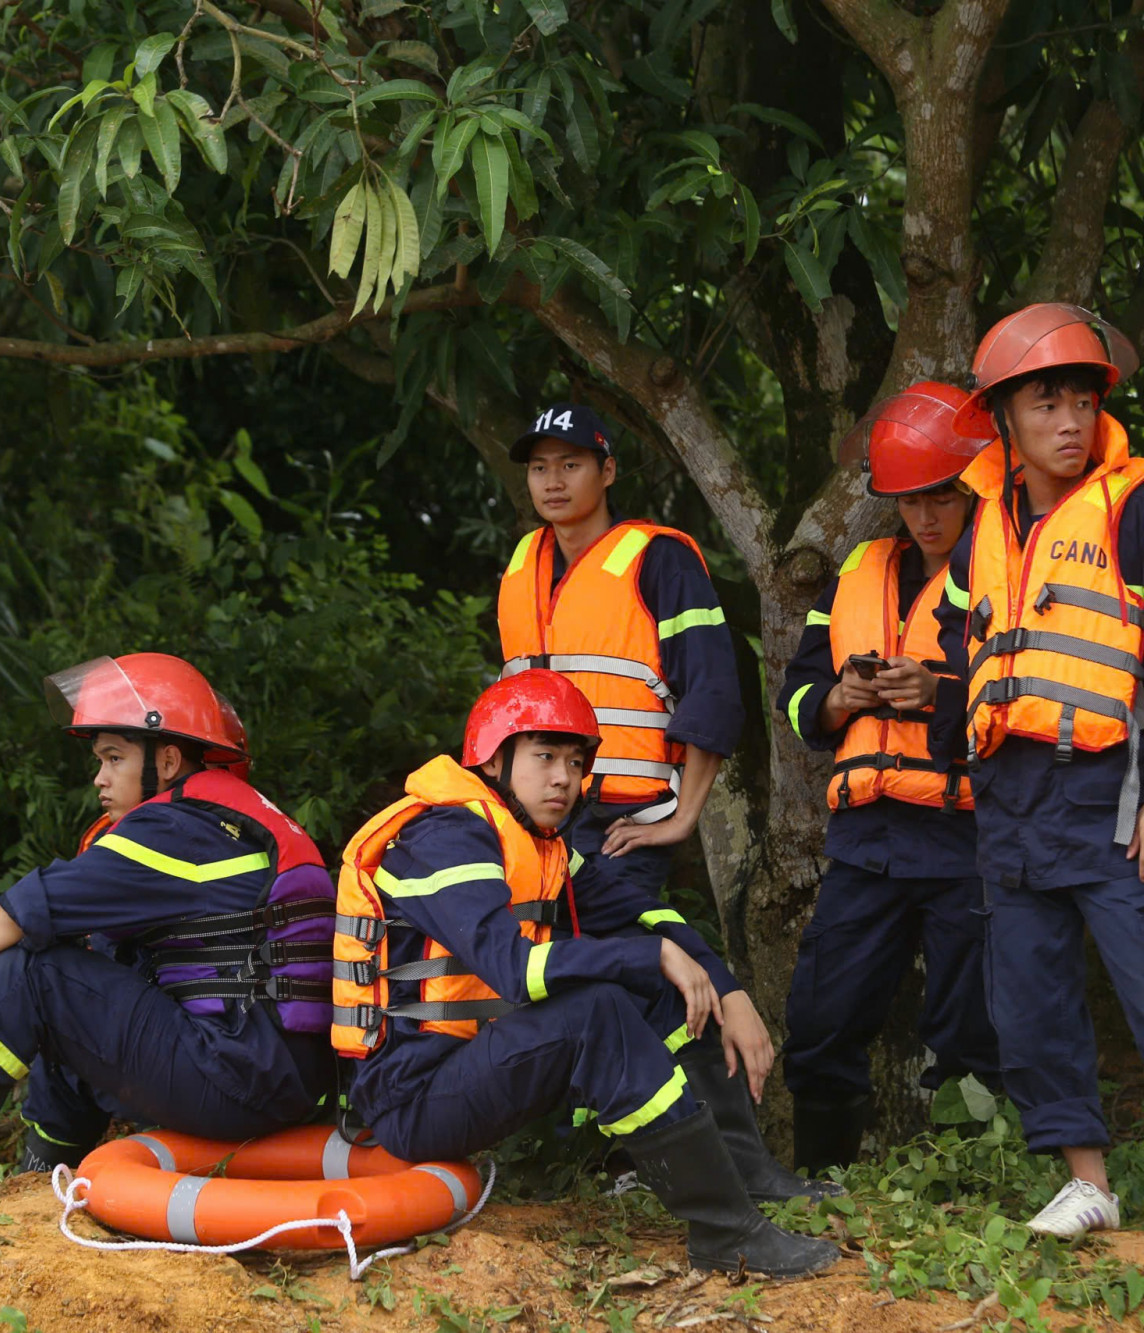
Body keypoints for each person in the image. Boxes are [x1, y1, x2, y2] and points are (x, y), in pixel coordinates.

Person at [929, 304, 1144, 1258]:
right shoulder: (987, 528)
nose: (1070, 421)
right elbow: (962, 656)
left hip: (1116, 793)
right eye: (1047, 403)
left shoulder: (1143, 505)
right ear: (1005, 415)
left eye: (1082, 400)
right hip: (1013, 798)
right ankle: (1087, 1182)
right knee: (1029, 1001)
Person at [331, 671, 840, 1278]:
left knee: (671, 985)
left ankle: (745, 1171)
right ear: (494, 761)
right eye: (544, 757)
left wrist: (726, 991)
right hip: (413, 1099)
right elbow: (514, 971)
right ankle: (724, 1230)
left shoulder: (540, 843)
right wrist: (647, 957)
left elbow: (641, 915)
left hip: (476, 1066)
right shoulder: (441, 838)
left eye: (575, 763)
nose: (563, 779)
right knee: (597, 1007)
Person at [0, 654, 338, 1183]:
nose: (99, 778)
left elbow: (26, 908)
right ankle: (42, 1174)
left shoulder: (177, 829)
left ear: (168, 762)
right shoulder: (230, 821)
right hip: (277, 1081)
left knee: (33, 971)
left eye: (113, 758)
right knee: (80, 983)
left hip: (235, 1079)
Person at [771, 383, 1002, 1172]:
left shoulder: (1003, 573)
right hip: (867, 837)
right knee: (822, 1017)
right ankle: (821, 1180)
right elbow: (799, 696)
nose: (926, 516)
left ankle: (967, 1192)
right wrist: (839, 696)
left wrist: (939, 693)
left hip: (964, 830)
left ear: (972, 490)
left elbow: (1034, 700)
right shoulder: (859, 571)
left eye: (941, 497)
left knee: (969, 1027)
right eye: (909, 501)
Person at [496, 403, 742, 896]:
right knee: (542, 965)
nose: (553, 481)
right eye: (539, 468)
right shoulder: (525, 564)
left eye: (570, 465)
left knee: (613, 959)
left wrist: (682, 821)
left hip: (620, 825)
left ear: (607, 471)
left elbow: (712, 692)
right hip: (530, 820)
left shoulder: (659, 559)